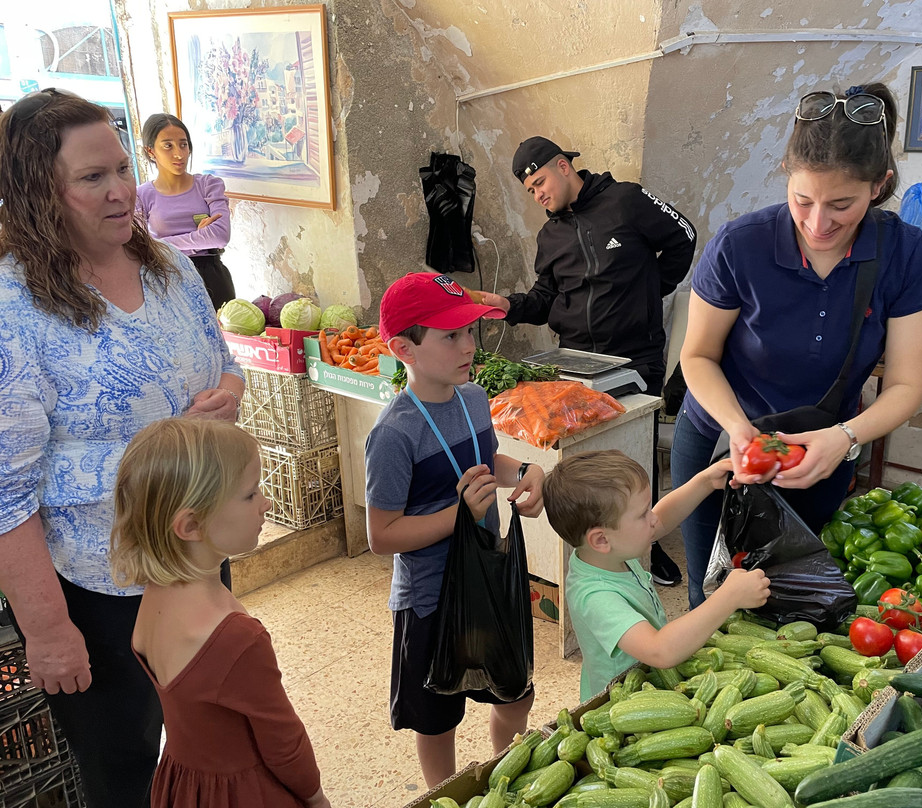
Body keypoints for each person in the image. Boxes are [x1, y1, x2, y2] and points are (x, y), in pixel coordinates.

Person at [0, 88, 245, 807]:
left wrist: (228, 393)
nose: (121, 192)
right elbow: (5, 490)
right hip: (95, 589)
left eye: (119, 169)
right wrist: (47, 632)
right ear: (37, 194)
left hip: (195, 559)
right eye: (92, 177)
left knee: (213, 735)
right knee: (125, 766)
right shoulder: (14, 310)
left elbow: (223, 363)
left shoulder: (169, 269)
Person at [672, 83, 922, 608]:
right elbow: (697, 356)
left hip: (822, 449)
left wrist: (844, 438)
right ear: (785, 175)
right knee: (711, 594)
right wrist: (738, 429)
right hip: (719, 441)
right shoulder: (739, 245)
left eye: (842, 204)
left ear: (879, 185)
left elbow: (908, 384)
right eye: (803, 200)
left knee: (790, 592)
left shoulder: (906, 255)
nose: (819, 223)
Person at [481, 136, 698, 587]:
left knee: (633, 458)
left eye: (540, 181)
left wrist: (650, 288)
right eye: (530, 191)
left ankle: (647, 546)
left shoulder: (627, 200)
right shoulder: (550, 236)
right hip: (573, 360)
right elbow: (544, 298)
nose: (538, 194)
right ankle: (592, 549)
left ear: (563, 166)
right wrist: (508, 304)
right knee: (582, 460)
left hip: (636, 355)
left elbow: (684, 237)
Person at [364, 271, 547, 789]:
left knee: (515, 693)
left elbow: (487, 459)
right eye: (451, 336)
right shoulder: (395, 433)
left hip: (486, 580)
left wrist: (526, 471)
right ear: (405, 348)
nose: (469, 345)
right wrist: (458, 515)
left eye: (470, 330)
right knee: (437, 717)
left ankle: (507, 781)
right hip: (430, 599)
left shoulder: (470, 398)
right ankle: (442, 797)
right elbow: (383, 536)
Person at [111, 419, 329, 808]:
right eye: (249, 495)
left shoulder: (155, 594)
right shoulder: (235, 636)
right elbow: (284, 743)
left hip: (184, 783)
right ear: (191, 525)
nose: (266, 503)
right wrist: (316, 798)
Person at [542, 450, 771, 701]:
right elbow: (659, 651)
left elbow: (662, 519)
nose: (653, 520)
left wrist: (704, 482)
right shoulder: (595, 596)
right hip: (622, 706)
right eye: (642, 514)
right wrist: (729, 597)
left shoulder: (611, 553)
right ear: (601, 539)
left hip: (649, 685)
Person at [137, 113, 235, 311]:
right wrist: (199, 238)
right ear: (150, 151)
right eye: (168, 145)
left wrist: (159, 244)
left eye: (183, 144)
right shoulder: (141, 195)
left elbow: (221, 236)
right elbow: (139, 248)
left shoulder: (209, 185)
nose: (179, 154)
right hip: (165, 279)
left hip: (211, 277)